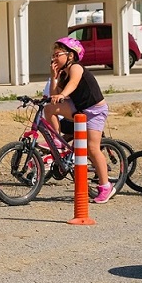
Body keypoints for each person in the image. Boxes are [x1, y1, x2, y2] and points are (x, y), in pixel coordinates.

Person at [45, 36, 115, 203]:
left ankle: (106, 186)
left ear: (70, 55)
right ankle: (58, 141)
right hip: (79, 108)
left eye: (58, 54)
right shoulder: (62, 74)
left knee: (92, 148)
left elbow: (74, 84)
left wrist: (63, 94)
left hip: (95, 111)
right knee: (49, 108)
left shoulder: (76, 68)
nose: (54, 58)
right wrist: (54, 77)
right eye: (53, 55)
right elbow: (53, 96)